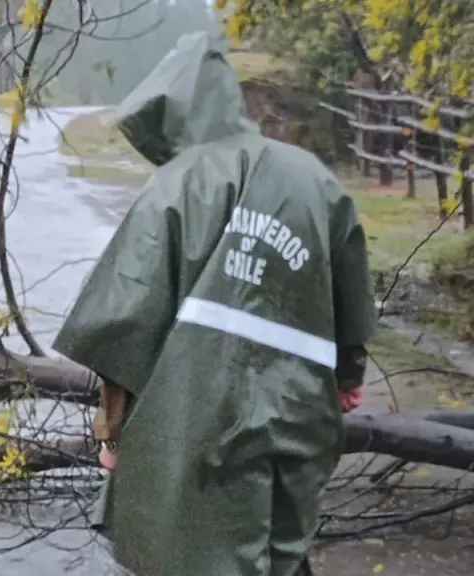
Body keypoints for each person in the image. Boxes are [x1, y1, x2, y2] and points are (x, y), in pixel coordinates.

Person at [52, 31, 374, 576]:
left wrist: (111, 437)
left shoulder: (173, 187)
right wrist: (346, 375)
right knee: (278, 546)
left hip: (189, 418)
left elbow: (126, 322)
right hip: (296, 412)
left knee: (194, 550)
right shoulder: (314, 180)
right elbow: (351, 293)